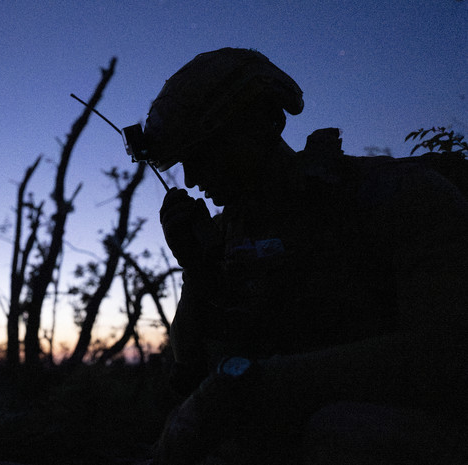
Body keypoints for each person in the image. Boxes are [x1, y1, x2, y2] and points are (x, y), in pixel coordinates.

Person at [137, 48, 468, 464]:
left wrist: (254, 381)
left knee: (340, 430)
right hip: (282, 434)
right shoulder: (224, 237)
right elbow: (189, 381)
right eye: (185, 161)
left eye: (207, 153)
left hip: (405, 431)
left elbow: (443, 354)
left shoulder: (397, 196)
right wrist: (197, 272)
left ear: (267, 123)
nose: (192, 178)